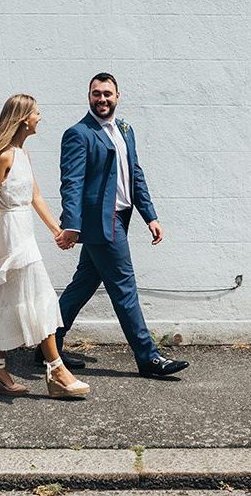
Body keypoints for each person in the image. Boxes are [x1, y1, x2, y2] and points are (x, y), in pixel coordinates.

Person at [35, 73, 189, 378]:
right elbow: (72, 183)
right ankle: (148, 357)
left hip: (119, 218)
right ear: (89, 96)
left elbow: (135, 174)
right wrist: (73, 225)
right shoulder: (79, 133)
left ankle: (46, 346)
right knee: (125, 288)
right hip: (102, 224)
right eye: (96, 94)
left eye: (107, 93)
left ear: (118, 96)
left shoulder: (125, 129)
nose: (101, 99)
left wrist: (150, 216)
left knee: (82, 286)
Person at [0, 94, 90, 398]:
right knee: (39, 297)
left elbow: (36, 197)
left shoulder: (23, 156)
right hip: (8, 235)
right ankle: (56, 371)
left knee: (3, 300)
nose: (40, 118)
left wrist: (59, 230)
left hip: (24, 232)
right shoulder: (3, 156)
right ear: (22, 119)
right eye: (36, 113)